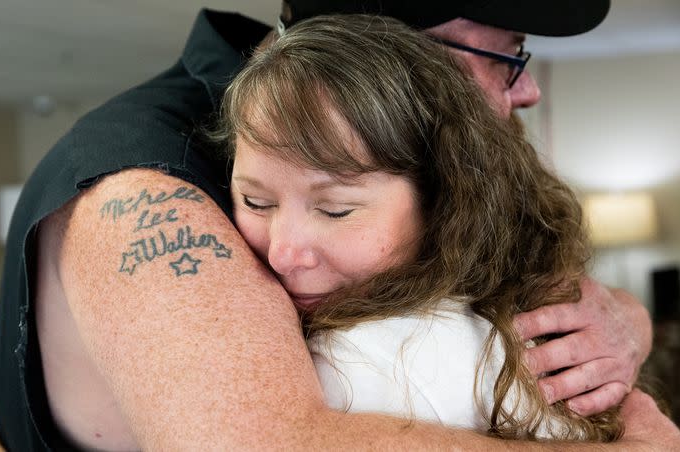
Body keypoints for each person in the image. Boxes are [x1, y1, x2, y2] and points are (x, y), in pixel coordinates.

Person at [0, 1, 674, 451]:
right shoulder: (148, 186)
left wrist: (623, 320)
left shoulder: (359, 140)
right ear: (392, 59)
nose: (528, 86)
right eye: (505, 53)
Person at [219, 14, 621, 440]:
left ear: (440, 201)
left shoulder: (356, 365)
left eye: (336, 210)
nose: (281, 253)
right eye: (256, 202)